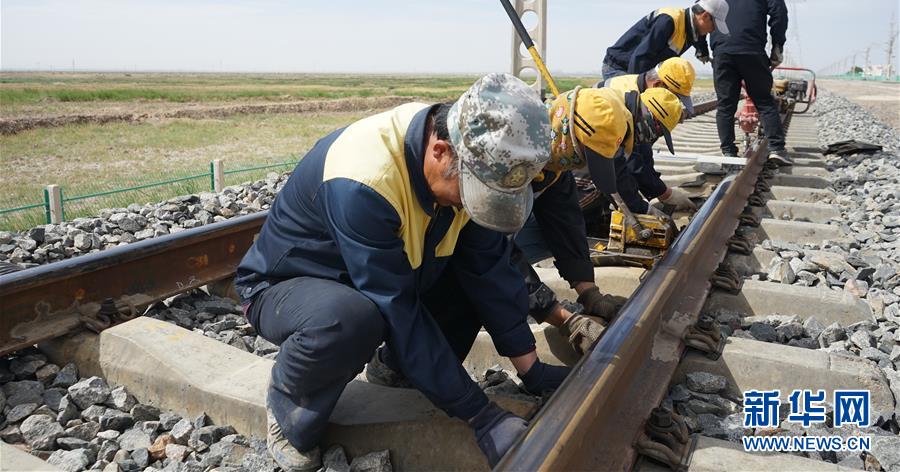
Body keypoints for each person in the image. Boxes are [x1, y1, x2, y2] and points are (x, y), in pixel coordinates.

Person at [235, 73, 568, 471]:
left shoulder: (469, 159)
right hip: (288, 287)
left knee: (464, 279)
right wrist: (480, 416)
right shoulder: (364, 181)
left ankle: (394, 371)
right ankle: (289, 408)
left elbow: (490, 272)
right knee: (352, 318)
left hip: (381, 278)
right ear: (441, 151)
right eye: (471, 192)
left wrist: (531, 370)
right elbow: (398, 310)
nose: (471, 204)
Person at [513, 86, 633, 354]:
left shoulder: (554, 158)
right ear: (567, 134)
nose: (579, 164)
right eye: (584, 155)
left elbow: (565, 222)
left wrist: (588, 291)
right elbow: (493, 251)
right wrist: (561, 317)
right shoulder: (513, 155)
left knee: (553, 232)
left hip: (484, 238)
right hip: (432, 245)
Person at [700, 0, 792, 166]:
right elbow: (780, 15)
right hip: (752, 51)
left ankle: (728, 152)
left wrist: (702, 50)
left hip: (722, 53)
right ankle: (776, 148)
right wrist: (777, 46)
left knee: (725, 105)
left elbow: (701, 15)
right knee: (764, 101)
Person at [604, 57, 699, 215]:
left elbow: (644, 152)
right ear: (659, 85)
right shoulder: (624, 96)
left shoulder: (643, 101)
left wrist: (659, 191)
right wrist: (659, 196)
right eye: (674, 96)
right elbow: (628, 160)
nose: (673, 102)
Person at [602, 0, 730, 83]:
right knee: (630, 114)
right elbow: (640, 57)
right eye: (714, 25)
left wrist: (703, 52)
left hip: (640, 70)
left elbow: (699, 39)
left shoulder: (692, 27)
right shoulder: (668, 21)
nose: (713, 30)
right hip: (620, 68)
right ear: (705, 16)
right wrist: (636, 93)